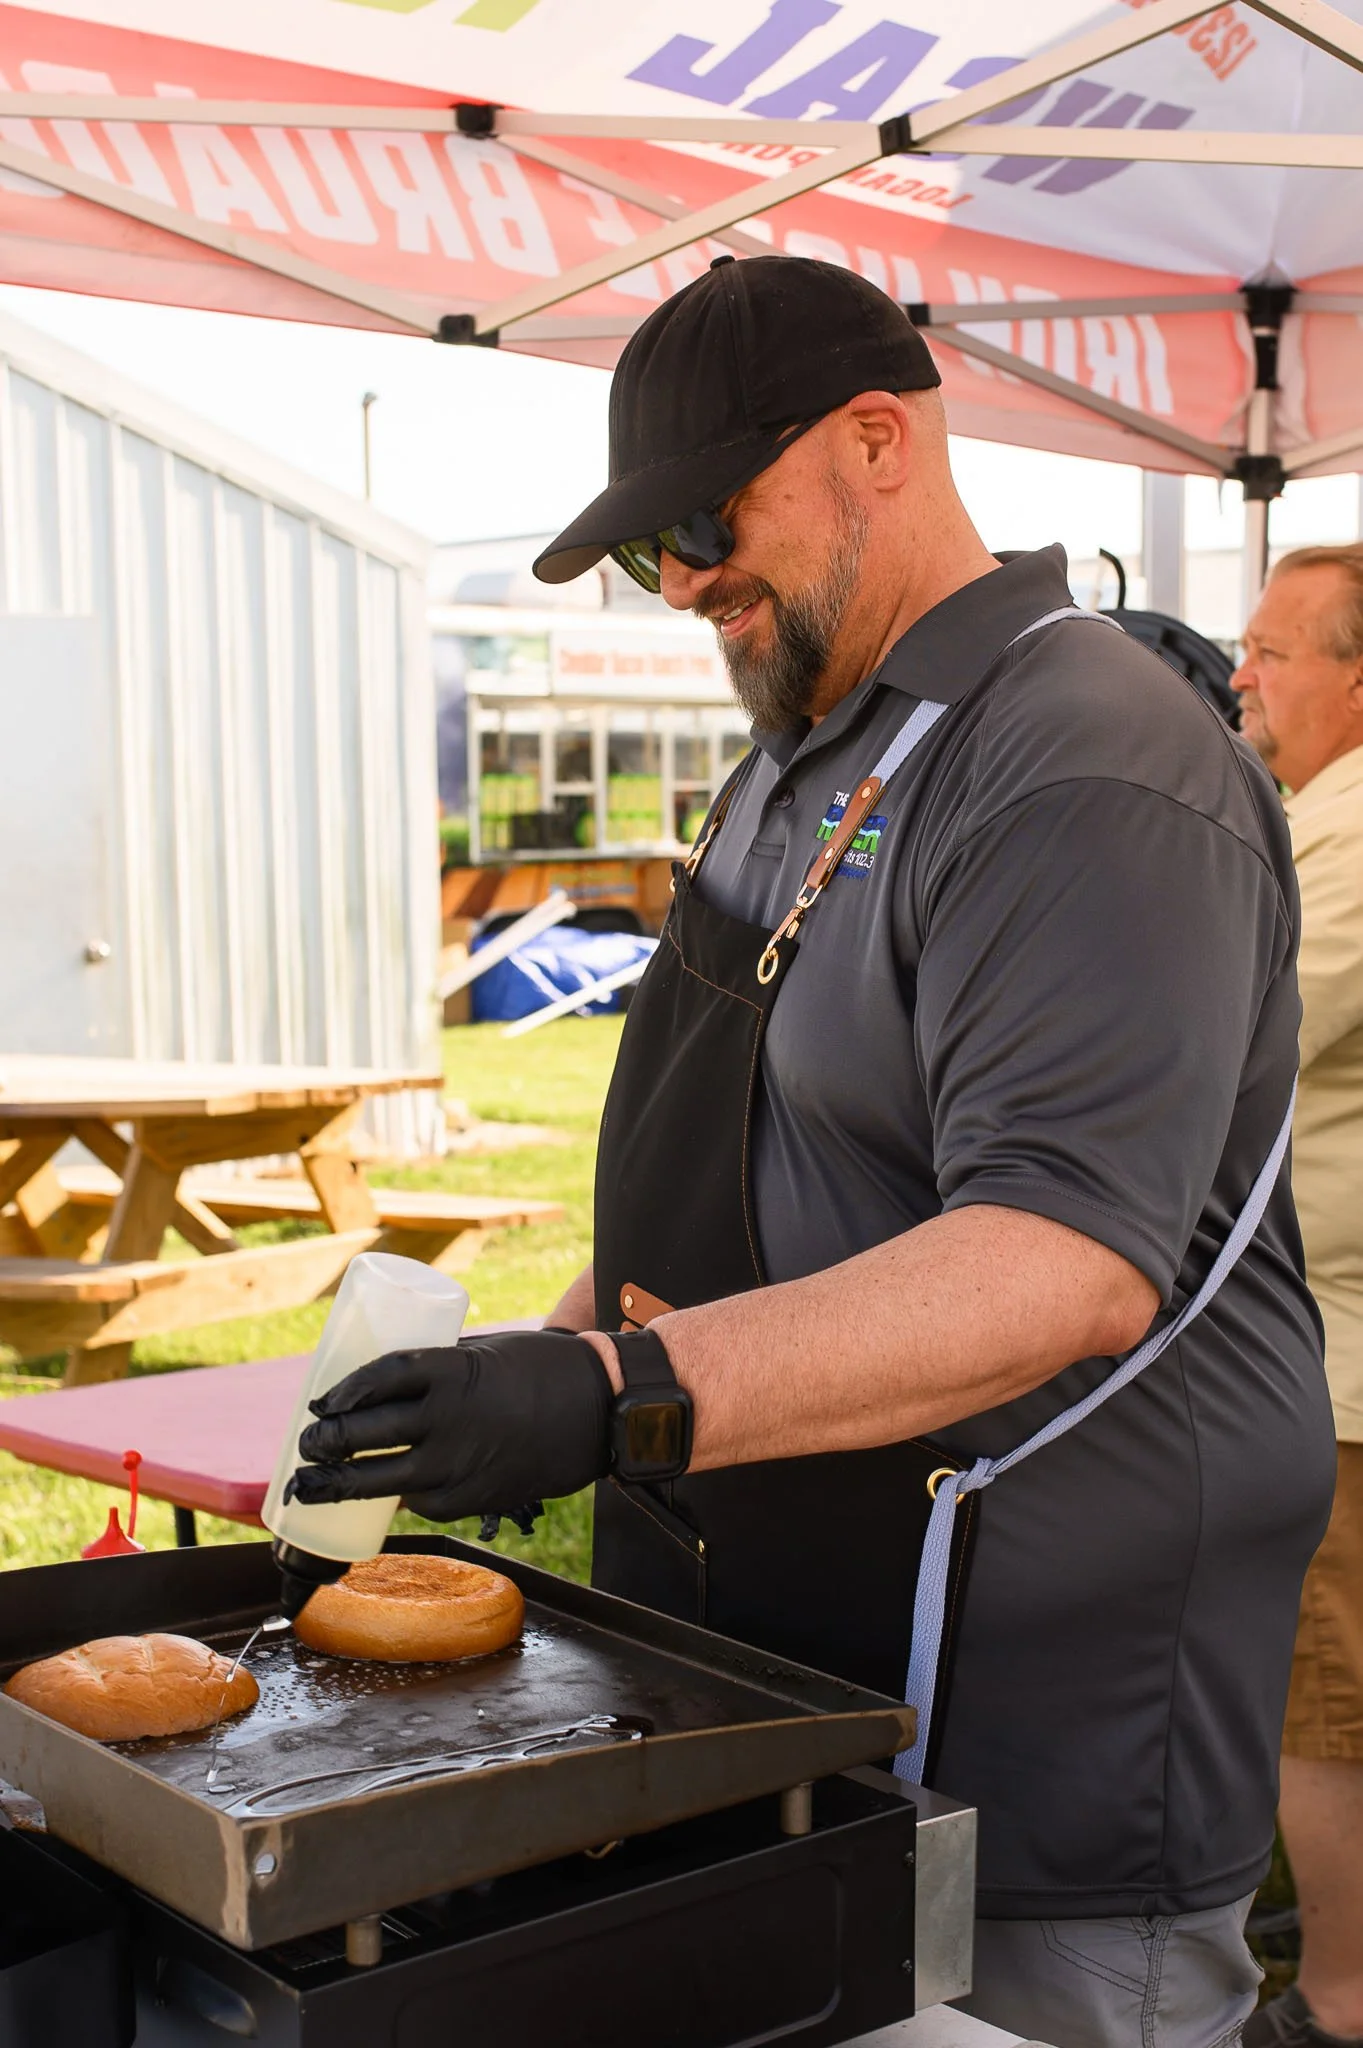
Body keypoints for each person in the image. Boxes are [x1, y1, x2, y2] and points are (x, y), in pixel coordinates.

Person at [291, 257, 1334, 2047]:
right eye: (647, 550)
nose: (685, 579)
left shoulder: (1081, 764)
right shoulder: (797, 748)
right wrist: (535, 1357)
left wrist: (614, 1390)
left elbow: (1057, 1263)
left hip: (1036, 1728)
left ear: (878, 441)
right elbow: (751, 1149)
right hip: (779, 1654)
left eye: (705, 518)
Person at [1235, 547, 1363, 2048]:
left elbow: (1234, 1038)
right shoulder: (1316, 825)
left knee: (1321, 1707)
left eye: (1272, 652)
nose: (1240, 674)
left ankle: (1337, 2004)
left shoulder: (1345, 838)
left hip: (1338, 1366)